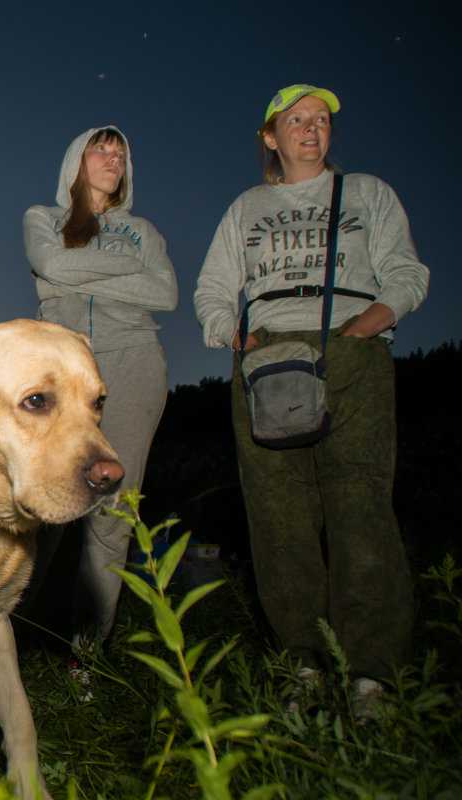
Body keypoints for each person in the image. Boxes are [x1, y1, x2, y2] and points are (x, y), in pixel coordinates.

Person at [194, 84, 428, 717]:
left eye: (320, 120)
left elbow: (408, 273)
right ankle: (304, 662)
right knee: (278, 520)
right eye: (295, 120)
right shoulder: (247, 206)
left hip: (353, 354)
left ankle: (371, 676)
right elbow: (213, 288)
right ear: (271, 136)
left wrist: (364, 328)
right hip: (268, 358)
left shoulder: (368, 194)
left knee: (362, 510)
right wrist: (233, 336)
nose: (310, 129)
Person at [22, 126, 177, 679]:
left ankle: (84, 658)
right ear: (76, 160)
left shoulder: (141, 232)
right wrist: (124, 270)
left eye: (121, 154)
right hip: (64, 369)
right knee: (42, 508)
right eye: (101, 149)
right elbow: (54, 268)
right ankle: (2, 641)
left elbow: (166, 293)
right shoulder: (43, 218)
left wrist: (85, 270)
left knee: (113, 512)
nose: (113, 159)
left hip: (135, 364)